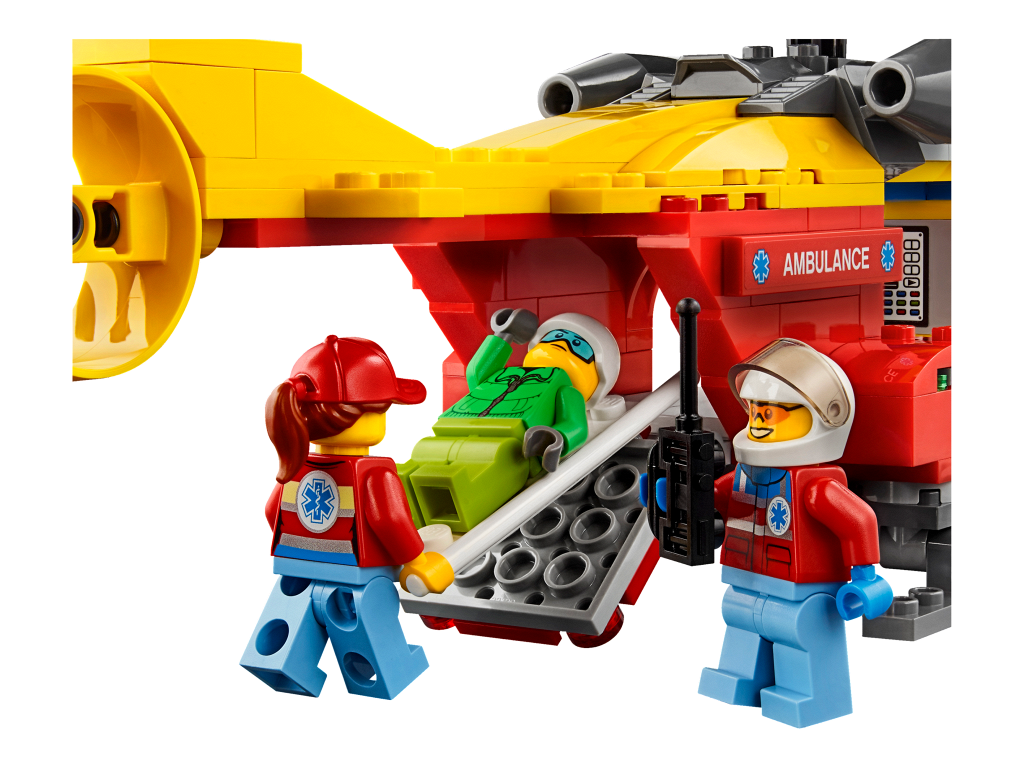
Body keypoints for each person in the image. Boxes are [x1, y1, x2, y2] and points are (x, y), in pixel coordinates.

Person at [240, 336, 453, 699]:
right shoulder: (373, 472)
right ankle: (384, 674)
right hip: (361, 575)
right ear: (364, 412)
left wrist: (309, 549)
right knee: (368, 622)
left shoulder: (297, 464)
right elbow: (390, 522)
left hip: (298, 573)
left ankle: (285, 664)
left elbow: (272, 512)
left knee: (296, 620)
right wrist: (417, 560)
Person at [696, 338, 893, 727]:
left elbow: (859, 520)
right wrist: (677, 495)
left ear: (819, 417)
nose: (758, 420)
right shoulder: (746, 474)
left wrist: (866, 577)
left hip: (804, 592)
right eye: (755, 410)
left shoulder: (816, 486)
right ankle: (740, 677)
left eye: (771, 412)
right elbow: (716, 497)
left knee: (801, 632)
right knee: (741, 621)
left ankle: (811, 694)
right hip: (745, 581)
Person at [398, 309, 620, 533]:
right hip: (449, 429)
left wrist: (556, 438)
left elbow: (576, 426)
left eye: (579, 347)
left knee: (465, 479)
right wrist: (504, 335)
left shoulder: (567, 390)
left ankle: (444, 522)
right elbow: (476, 373)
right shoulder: (505, 375)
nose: (562, 345)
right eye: (554, 337)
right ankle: (398, 503)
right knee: (418, 461)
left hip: (511, 448)